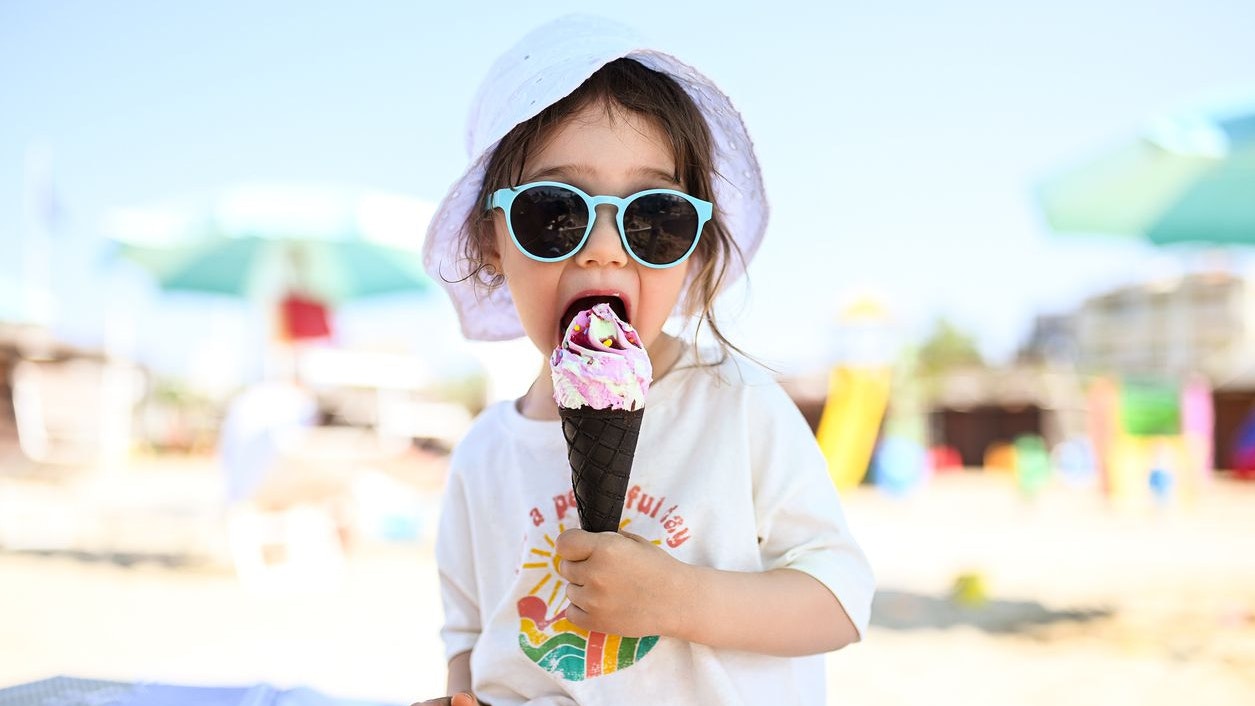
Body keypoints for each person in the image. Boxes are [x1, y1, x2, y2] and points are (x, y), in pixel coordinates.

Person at [416, 15, 874, 705]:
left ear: (690, 250)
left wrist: (679, 598)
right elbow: (468, 638)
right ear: (491, 240)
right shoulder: (483, 455)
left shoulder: (734, 405)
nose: (603, 248)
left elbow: (838, 602)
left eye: (653, 218)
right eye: (555, 213)